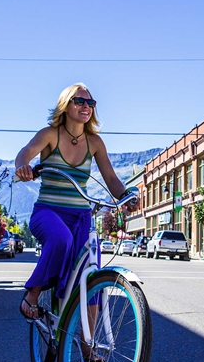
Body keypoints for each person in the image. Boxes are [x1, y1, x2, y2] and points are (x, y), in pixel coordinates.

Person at [14, 83, 138, 324]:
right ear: (65, 104)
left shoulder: (95, 142)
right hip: (48, 212)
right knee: (62, 239)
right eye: (79, 101)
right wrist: (23, 167)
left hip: (81, 216)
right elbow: (25, 152)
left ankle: (87, 346)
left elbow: (111, 178)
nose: (86, 107)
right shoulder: (50, 134)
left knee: (89, 273)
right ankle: (33, 295)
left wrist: (127, 196)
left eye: (90, 103)